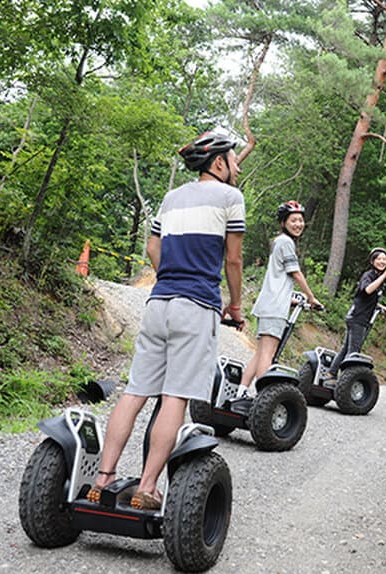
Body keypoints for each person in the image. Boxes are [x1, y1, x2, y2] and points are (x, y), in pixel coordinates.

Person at [87, 131, 245, 510]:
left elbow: (152, 247)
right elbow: (234, 260)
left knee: (135, 391)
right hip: (196, 306)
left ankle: (103, 478)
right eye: (234, 159)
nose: (238, 166)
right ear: (219, 162)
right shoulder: (230, 197)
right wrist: (235, 306)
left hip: (159, 303)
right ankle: (147, 486)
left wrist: (169, 275)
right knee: (175, 396)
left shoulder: (172, 197)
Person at [236, 201, 322, 397]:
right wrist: (312, 297)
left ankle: (240, 392)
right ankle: (262, 397)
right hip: (274, 308)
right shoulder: (286, 242)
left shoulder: (279, 242)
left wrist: (291, 299)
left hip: (270, 303)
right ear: (283, 223)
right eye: (293, 220)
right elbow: (296, 273)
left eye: (301, 220)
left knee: (260, 354)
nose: (298, 224)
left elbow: (279, 278)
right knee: (268, 354)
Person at [324, 247, 386, 383]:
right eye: (379, 258)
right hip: (358, 318)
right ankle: (345, 381)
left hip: (356, 317)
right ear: (373, 261)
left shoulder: (377, 277)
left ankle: (331, 374)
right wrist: (384, 276)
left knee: (346, 349)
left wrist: (380, 306)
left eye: (384, 259)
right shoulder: (369, 275)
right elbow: (367, 290)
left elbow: (367, 297)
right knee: (354, 352)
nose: (382, 261)